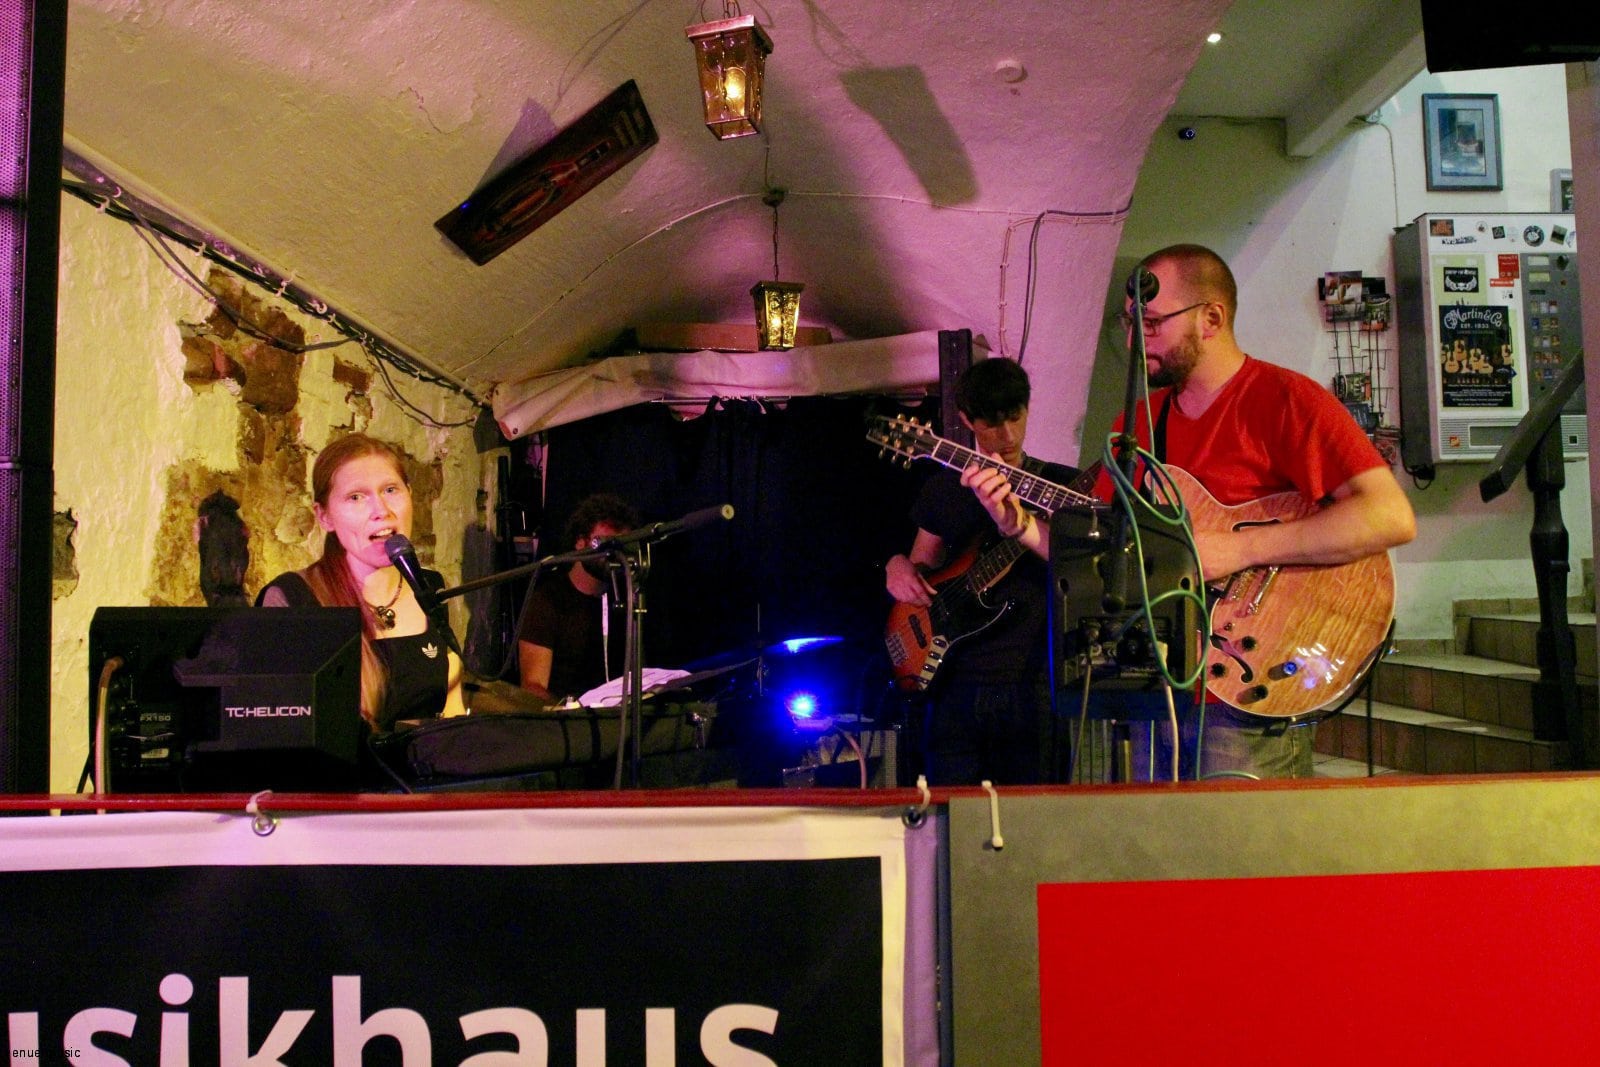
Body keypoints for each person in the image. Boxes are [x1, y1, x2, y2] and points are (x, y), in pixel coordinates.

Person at [974, 243, 1416, 779]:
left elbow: (1389, 516)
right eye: (1131, 324)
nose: (1136, 342)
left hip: (1246, 689)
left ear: (1211, 318)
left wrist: (1239, 548)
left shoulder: (1285, 399)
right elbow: (1110, 554)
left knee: (1236, 834)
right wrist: (1020, 526)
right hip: (1157, 683)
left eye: (1153, 323)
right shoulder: (1137, 424)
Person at [884, 358, 1080, 785]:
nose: (1007, 435)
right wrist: (897, 567)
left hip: (1032, 684)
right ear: (966, 420)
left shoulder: (1063, 487)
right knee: (952, 814)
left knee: (1033, 815)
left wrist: (1026, 527)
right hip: (954, 684)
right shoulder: (943, 488)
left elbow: (1081, 566)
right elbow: (920, 565)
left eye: (1015, 417)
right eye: (991, 423)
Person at [257, 433, 465, 733]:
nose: (381, 511)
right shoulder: (293, 599)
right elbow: (276, 731)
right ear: (324, 516)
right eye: (356, 497)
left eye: (390, 490)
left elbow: (451, 709)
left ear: (409, 494)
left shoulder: (428, 586)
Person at [517, 492, 640, 703]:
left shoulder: (627, 597)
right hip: (566, 718)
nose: (611, 554)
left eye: (618, 547)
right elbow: (533, 687)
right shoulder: (548, 600)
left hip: (617, 717)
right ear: (580, 542)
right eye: (602, 543)